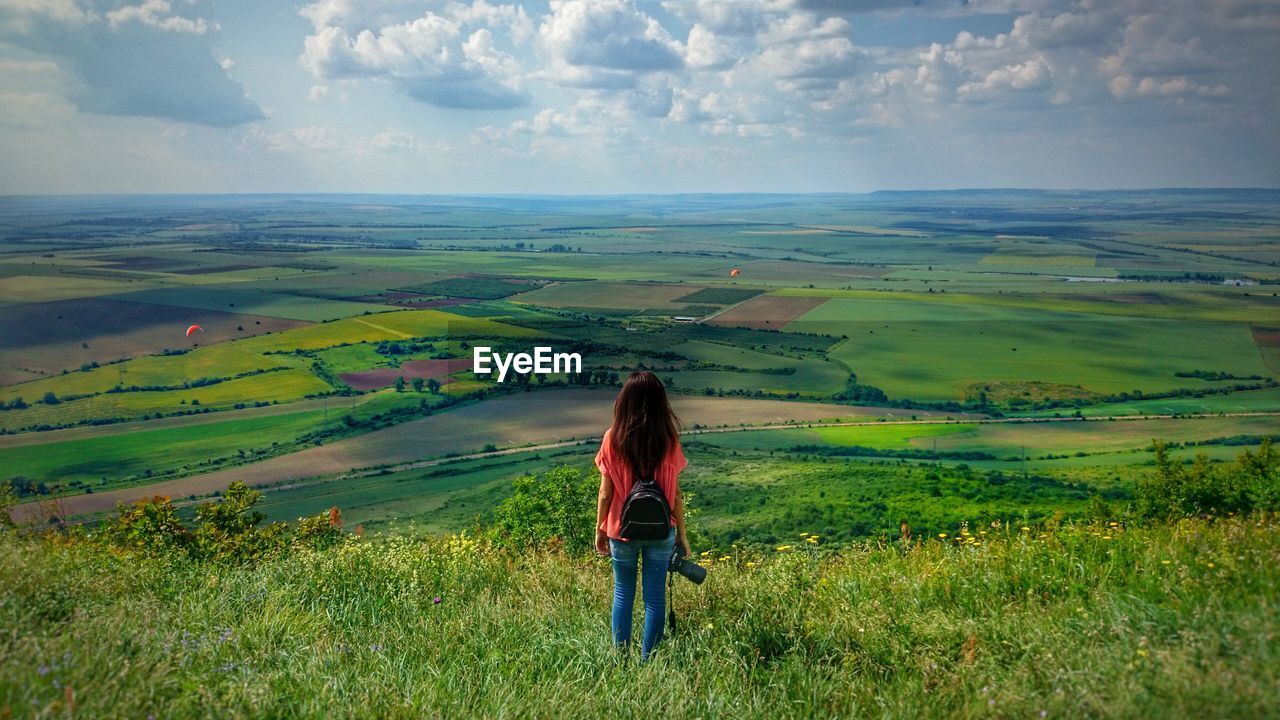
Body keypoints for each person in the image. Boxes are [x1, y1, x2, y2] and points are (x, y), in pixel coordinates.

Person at [594, 370, 691, 662]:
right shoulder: (669, 439)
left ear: (624, 402)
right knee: (654, 598)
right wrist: (682, 536)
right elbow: (674, 494)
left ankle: (621, 660)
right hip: (661, 531)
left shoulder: (612, 438)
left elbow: (605, 494)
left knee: (623, 594)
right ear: (661, 402)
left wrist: (600, 529)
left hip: (621, 531)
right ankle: (648, 661)